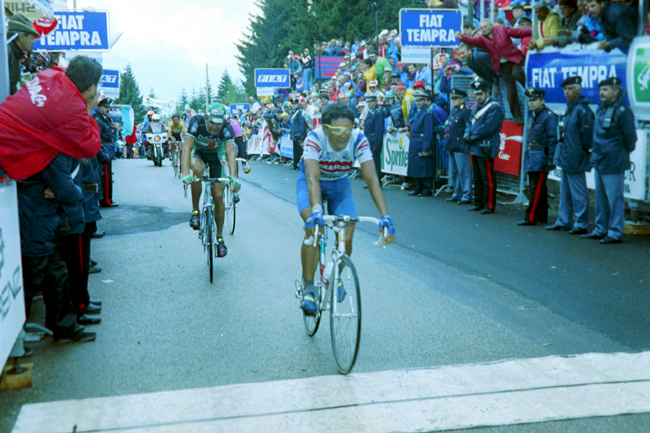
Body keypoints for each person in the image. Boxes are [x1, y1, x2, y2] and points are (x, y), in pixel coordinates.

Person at [0, 56, 104, 343]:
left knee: (52, 265)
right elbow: (92, 146)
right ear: (90, 87)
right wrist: (90, 109)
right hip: (17, 165)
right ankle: (10, 337)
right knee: (36, 266)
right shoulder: (69, 108)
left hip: (23, 166)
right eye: (95, 89)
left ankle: (63, 325)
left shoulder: (53, 74)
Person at [297, 103, 395, 315]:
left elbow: (372, 180)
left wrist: (384, 216)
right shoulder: (315, 138)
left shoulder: (358, 139)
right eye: (337, 131)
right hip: (312, 183)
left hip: (340, 184)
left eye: (348, 130)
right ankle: (309, 288)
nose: (343, 136)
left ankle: (336, 276)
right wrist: (316, 210)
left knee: (347, 234)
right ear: (325, 129)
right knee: (314, 230)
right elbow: (313, 180)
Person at [180, 103, 240, 257]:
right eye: (212, 123)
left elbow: (230, 154)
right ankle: (195, 211)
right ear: (206, 118)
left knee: (218, 196)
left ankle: (220, 237)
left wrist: (233, 177)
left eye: (218, 124)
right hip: (198, 152)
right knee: (198, 171)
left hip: (216, 156)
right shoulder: (196, 121)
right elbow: (186, 148)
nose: (215, 127)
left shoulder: (227, 127)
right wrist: (185, 173)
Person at [582, 77, 637, 244]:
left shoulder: (623, 111)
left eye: (606, 90)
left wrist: (617, 152)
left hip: (613, 161)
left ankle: (614, 232)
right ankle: (600, 228)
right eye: (601, 90)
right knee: (600, 198)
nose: (602, 93)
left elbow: (630, 139)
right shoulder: (600, 108)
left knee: (615, 199)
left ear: (616, 91)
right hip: (599, 159)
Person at [456, 20, 531, 123]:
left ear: (491, 26)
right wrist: (462, 37)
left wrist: (534, 30)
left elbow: (518, 32)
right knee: (510, 94)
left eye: (485, 26)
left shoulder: (500, 31)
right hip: (502, 70)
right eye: (482, 28)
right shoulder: (481, 42)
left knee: (517, 82)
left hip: (513, 61)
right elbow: (472, 41)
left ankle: (530, 94)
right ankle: (514, 117)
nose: (483, 29)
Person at [547, 76, 593, 234]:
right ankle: (564, 220)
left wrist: (582, 152)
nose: (566, 92)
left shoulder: (583, 110)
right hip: (567, 155)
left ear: (579, 89)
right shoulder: (571, 107)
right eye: (565, 89)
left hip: (576, 156)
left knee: (578, 191)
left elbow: (587, 137)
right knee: (564, 191)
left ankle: (581, 223)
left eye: (570, 88)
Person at [518, 88, 558, 226]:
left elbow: (553, 140)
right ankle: (542, 215)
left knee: (536, 188)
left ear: (542, 100)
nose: (531, 103)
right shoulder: (531, 115)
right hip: (531, 156)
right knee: (538, 188)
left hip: (541, 156)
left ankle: (531, 216)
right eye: (530, 100)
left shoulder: (549, 116)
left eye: (534, 100)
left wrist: (551, 160)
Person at [464, 78, 503, 214]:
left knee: (487, 177)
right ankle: (478, 202)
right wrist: (468, 132)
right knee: (477, 177)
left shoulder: (494, 107)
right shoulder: (476, 106)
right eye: (476, 94)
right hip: (475, 146)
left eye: (480, 94)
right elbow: (470, 121)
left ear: (486, 92)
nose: (478, 97)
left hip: (485, 146)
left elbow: (487, 128)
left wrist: (471, 135)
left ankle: (489, 205)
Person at [442, 89, 472, 204]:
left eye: (456, 98)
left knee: (463, 172)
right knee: (454, 172)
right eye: (452, 98)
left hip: (460, 145)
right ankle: (457, 192)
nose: (453, 101)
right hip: (452, 145)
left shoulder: (465, 112)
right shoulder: (454, 111)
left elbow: (467, 128)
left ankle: (466, 194)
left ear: (462, 99)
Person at [406, 91, 435, 196]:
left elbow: (428, 132)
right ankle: (418, 186)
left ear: (425, 101)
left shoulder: (427, 113)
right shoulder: (417, 112)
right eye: (416, 100)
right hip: (414, 142)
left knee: (424, 166)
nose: (418, 103)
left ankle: (427, 188)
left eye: (420, 100)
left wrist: (425, 148)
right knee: (415, 165)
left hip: (421, 142)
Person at [6, 14, 40, 95]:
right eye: (31, 38)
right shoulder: (7, 52)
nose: (33, 42)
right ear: (21, 36)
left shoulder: (14, 53)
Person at [93, 97, 118, 207]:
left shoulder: (105, 119)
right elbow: (97, 138)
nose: (108, 109)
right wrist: (103, 153)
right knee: (105, 177)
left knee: (107, 176)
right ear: (99, 107)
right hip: (103, 150)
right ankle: (106, 200)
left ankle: (108, 199)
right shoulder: (98, 120)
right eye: (105, 107)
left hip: (107, 149)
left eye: (109, 107)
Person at [363, 93, 385, 186]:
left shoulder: (378, 113)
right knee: (369, 163)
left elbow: (379, 130)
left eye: (371, 101)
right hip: (369, 141)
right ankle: (371, 182)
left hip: (374, 141)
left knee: (375, 163)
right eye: (368, 102)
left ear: (376, 102)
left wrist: (376, 144)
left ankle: (377, 182)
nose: (369, 103)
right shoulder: (369, 112)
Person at [290, 98, 310, 170]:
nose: (293, 105)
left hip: (298, 133)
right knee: (295, 150)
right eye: (292, 104)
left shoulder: (300, 112)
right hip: (294, 133)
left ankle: (300, 165)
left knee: (300, 151)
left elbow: (302, 124)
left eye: (295, 104)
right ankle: (295, 164)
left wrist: (302, 135)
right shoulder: (295, 112)